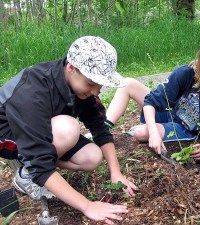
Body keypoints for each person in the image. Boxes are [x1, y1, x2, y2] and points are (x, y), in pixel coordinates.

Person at [0, 36, 137, 224]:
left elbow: (99, 127)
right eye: (91, 84)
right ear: (71, 68)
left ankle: (36, 165)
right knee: (68, 128)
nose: (96, 91)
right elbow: (40, 163)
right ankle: (26, 174)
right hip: (8, 135)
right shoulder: (32, 91)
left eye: (100, 85)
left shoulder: (80, 87)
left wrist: (116, 172)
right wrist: (88, 206)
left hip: (44, 128)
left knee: (93, 157)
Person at [106, 37, 200, 160]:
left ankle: (150, 127)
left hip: (183, 129)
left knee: (141, 133)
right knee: (128, 84)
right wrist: (154, 133)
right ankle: (103, 130)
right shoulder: (186, 73)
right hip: (168, 111)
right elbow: (151, 101)